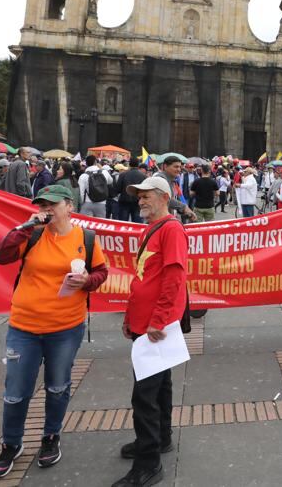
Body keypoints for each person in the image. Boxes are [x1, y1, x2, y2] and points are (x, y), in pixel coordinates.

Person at [0, 185, 108, 478]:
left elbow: (102, 272)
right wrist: (24, 228)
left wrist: (86, 282)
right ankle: (11, 444)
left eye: (53, 204)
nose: (47, 209)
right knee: (16, 391)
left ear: (69, 206)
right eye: (42, 204)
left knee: (57, 387)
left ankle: (50, 436)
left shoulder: (86, 238)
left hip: (66, 327)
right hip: (24, 327)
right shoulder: (32, 234)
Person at [114, 176, 188, 487]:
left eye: (146, 196)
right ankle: (161, 438)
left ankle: (149, 463)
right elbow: (146, 276)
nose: (140, 201)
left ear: (163, 198)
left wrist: (157, 320)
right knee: (161, 386)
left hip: (155, 326)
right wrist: (132, 317)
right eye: (139, 196)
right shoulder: (154, 228)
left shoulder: (170, 229)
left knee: (144, 396)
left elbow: (174, 278)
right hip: (146, 323)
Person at [154, 156, 198, 222]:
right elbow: (166, 199)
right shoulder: (160, 179)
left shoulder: (172, 179)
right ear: (165, 166)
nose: (179, 170)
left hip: (167, 219)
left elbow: (173, 198)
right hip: (159, 220)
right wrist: (184, 207)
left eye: (180, 167)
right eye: (176, 167)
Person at [115, 158, 147, 223]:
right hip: (137, 202)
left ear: (129, 164)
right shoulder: (143, 176)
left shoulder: (123, 175)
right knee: (137, 224)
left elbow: (117, 189)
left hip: (124, 201)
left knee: (123, 223)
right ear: (138, 165)